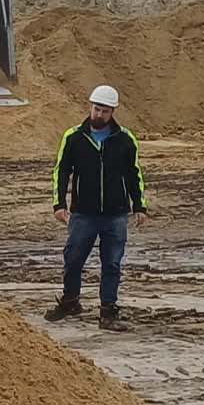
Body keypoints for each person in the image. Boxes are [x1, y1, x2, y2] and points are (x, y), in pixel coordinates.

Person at [44, 84, 148, 331]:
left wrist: (139, 205)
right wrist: (59, 204)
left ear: (113, 112)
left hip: (116, 215)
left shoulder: (125, 139)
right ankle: (70, 301)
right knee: (73, 259)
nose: (99, 114)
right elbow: (62, 171)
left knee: (111, 264)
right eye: (96, 109)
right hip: (83, 214)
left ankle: (108, 312)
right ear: (90, 106)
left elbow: (134, 174)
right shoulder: (73, 137)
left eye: (105, 111)